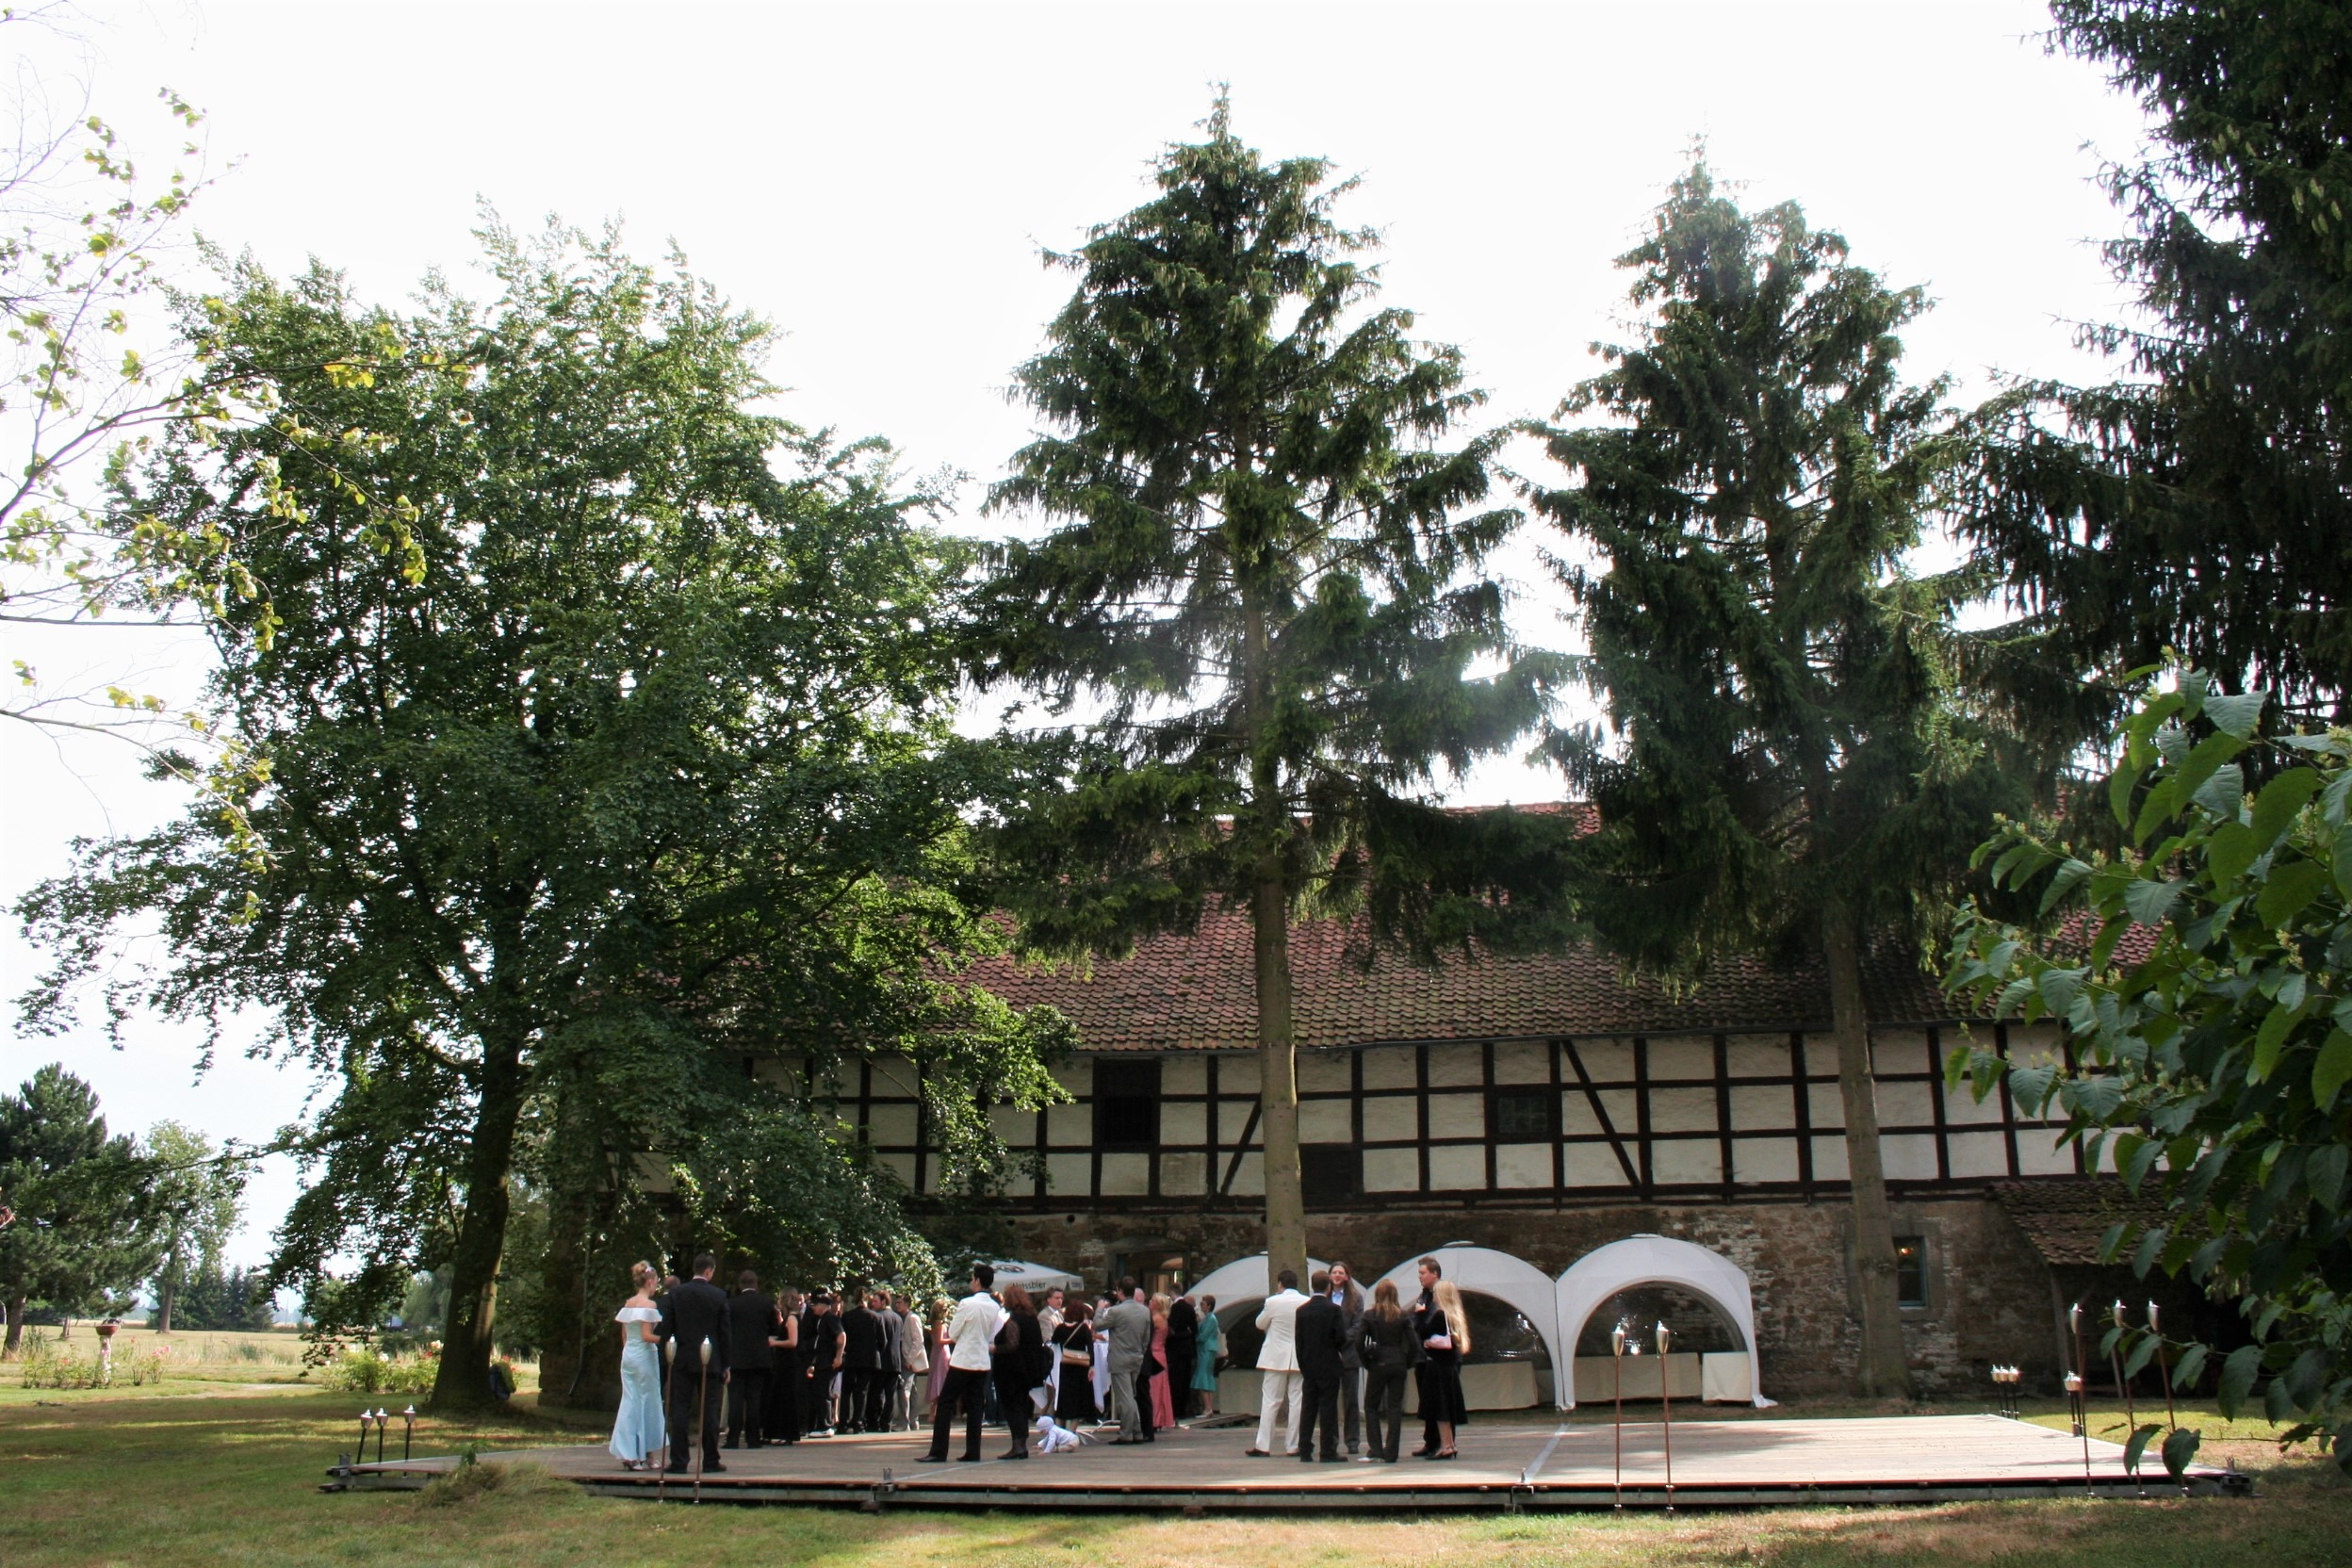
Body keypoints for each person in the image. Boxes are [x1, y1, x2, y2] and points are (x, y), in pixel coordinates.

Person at [919, 1263, 1003, 1463]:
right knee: (975, 1406)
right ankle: (973, 1451)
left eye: (972, 1279)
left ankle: (938, 1451)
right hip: (981, 1360)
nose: (971, 1282)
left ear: (977, 1280)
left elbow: (954, 1333)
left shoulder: (967, 1303)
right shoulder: (994, 1306)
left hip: (964, 1359)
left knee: (946, 1403)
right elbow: (992, 1334)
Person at [657, 1252, 732, 1474]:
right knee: (709, 1411)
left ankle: (679, 1460)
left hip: (681, 1359)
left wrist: (668, 1356)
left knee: (680, 1409)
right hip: (710, 1360)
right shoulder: (718, 1296)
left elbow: (666, 1329)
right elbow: (725, 1333)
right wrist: (726, 1364)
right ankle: (710, 1460)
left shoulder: (676, 1294)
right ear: (709, 1271)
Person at [608, 1262, 667, 1471]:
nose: (656, 1287)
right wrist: (667, 1340)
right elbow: (646, 1336)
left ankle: (641, 1453)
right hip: (644, 1356)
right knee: (648, 1402)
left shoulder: (628, 1304)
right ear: (650, 1282)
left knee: (631, 1400)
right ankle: (639, 1454)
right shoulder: (649, 1306)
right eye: (656, 1283)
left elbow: (625, 1335)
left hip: (629, 1356)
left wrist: (629, 1352)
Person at [1411, 1260, 1468, 1462]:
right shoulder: (1442, 1308)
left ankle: (1445, 1443)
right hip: (1436, 1360)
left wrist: (1420, 1314)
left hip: (1439, 1363)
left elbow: (1423, 1329)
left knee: (1440, 1404)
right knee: (1435, 1403)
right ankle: (1437, 1442)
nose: (1420, 1277)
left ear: (1435, 1274)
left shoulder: (1439, 1310)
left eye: (1423, 1273)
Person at [1248, 1269, 1309, 1457]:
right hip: (1299, 1356)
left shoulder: (1272, 1302)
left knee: (1270, 1401)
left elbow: (1259, 1323)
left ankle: (1263, 1445)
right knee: (1297, 1401)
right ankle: (1293, 1445)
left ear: (1280, 1284)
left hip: (1275, 1357)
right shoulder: (1306, 1301)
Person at [1357, 1277, 1417, 1462]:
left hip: (1378, 1363)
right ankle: (1392, 1452)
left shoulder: (1370, 1315)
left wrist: (1366, 1361)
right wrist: (1407, 1362)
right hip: (1398, 1362)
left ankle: (1376, 1448)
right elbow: (1414, 1344)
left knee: (1371, 1406)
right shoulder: (1403, 1315)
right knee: (1394, 1408)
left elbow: (1358, 1342)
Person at [1295, 1270, 1348, 1462]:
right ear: (1328, 1287)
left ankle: (1304, 1449)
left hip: (1309, 1365)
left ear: (1312, 1286)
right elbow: (1341, 1337)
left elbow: (1299, 1341)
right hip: (1329, 1364)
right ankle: (1328, 1450)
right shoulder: (1333, 1310)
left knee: (1308, 1408)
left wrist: (1303, 1365)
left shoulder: (1302, 1311)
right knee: (1328, 1408)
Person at [725, 1268, 778, 1450]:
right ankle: (753, 1438)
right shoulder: (767, 1303)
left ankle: (732, 1439)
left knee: (736, 1401)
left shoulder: (731, 1304)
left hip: (737, 1358)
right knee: (754, 1400)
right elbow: (774, 1330)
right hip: (759, 1358)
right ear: (756, 1284)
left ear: (740, 1286)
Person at [991, 1282, 1045, 1460]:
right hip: (1028, 1370)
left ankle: (1018, 1445)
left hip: (1011, 1371)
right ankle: (1021, 1444)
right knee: (1022, 1407)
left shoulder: (1015, 1320)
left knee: (1012, 1407)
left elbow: (1011, 1344)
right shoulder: (1032, 1318)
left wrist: (994, 1349)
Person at [1100, 1277, 1152, 1445]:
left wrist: (1100, 1309)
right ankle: (1136, 1431)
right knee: (1131, 1395)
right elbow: (1146, 1338)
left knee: (1125, 1398)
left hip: (1120, 1358)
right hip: (1136, 1357)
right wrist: (1140, 1352)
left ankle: (1126, 1433)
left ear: (1120, 1291)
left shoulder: (1116, 1311)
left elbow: (1097, 1325)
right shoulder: (1145, 1311)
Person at [1327, 1262, 1367, 1455]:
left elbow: (1358, 1326)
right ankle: (1331, 1439)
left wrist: (1342, 1341)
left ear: (1347, 1276)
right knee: (1330, 1399)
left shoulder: (1355, 1298)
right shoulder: (1324, 1298)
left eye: (1340, 1272)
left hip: (1349, 1354)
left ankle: (1352, 1440)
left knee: (1351, 1400)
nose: (1337, 1275)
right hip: (1329, 1354)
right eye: (1334, 1272)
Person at [840, 1289, 887, 1434]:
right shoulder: (875, 1317)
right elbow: (883, 1341)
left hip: (851, 1358)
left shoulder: (847, 1316)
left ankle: (843, 1422)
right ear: (868, 1300)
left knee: (846, 1391)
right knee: (862, 1391)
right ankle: (858, 1422)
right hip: (868, 1359)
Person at [1054, 1299, 1099, 1427]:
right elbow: (1090, 1347)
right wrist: (1092, 1366)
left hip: (1066, 1365)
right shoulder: (1083, 1328)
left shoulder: (1060, 1328)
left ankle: (1059, 1430)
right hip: (1081, 1366)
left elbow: (1054, 1341)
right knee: (1078, 1400)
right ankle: (1070, 1432)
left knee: (1064, 1398)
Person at [768, 1287, 805, 1445]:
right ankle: (784, 1433)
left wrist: (775, 1342)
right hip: (786, 1362)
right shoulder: (790, 1318)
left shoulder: (792, 1318)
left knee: (787, 1397)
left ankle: (787, 1434)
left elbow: (793, 1341)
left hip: (789, 1363)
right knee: (784, 1397)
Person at [805, 1291, 844, 1437]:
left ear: (822, 1305)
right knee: (820, 1392)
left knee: (824, 1393)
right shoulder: (822, 1319)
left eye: (815, 1305)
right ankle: (823, 1424)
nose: (813, 1309)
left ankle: (825, 1426)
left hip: (828, 1362)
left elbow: (841, 1336)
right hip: (822, 1361)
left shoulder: (830, 1318)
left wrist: (838, 1357)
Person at [894, 1292, 929, 1430]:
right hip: (906, 1358)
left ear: (907, 1304)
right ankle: (913, 1421)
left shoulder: (912, 1318)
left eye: (900, 1303)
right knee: (912, 1390)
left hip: (909, 1360)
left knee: (904, 1390)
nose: (897, 1305)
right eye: (896, 1303)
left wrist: (909, 1359)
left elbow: (918, 1341)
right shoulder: (902, 1318)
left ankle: (905, 1422)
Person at [1165, 1292, 1199, 1420]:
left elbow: (1171, 1330)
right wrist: (1188, 1334)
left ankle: (1176, 1408)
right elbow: (1195, 1330)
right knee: (1185, 1379)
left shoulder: (1175, 1308)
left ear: (1172, 1293)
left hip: (1176, 1349)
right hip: (1187, 1349)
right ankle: (1183, 1408)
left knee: (1175, 1379)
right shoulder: (1190, 1308)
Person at [1147, 1293, 1176, 1430]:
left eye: (1152, 1300)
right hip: (1160, 1353)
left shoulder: (1156, 1319)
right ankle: (1158, 1418)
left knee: (1154, 1389)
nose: (1150, 1302)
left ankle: (1154, 1419)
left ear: (1157, 1304)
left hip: (1154, 1354)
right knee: (1159, 1388)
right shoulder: (1163, 1318)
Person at [1191, 1294, 1222, 1416]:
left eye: (1203, 1304)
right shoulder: (1208, 1318)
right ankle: (1208, 1407)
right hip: (1206, 1350)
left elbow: (1203, 1336)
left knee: (1203, 1376)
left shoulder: (1211, 1319)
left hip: (1206, 1350)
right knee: (1207, 1377)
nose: (1201, 1306)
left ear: (1209, 1306)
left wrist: (1194, 1337)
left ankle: (1208, 1407)